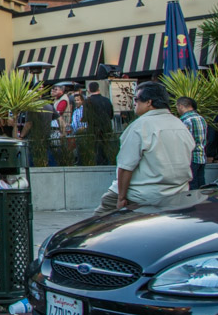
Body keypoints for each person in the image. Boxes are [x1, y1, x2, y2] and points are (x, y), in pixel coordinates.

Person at [93, 82, 194, 216]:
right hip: (177, 192)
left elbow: (125, 167)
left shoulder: (140, 126)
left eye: (136, 100)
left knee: (97, 223)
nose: (134, 104)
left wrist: (121, 198)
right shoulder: (180, 124)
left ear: (149, 102)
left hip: (142, 194)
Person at [176, 97, 207, 189]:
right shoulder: (201, 118)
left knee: (191, 186)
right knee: (201, 185)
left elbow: (182, 141)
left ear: (181, 106)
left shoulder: (184, 120)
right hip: (201, 156)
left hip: (190, 158)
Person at [84, 81, 114, 165]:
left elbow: (85, 117)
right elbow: (111, 115)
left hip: (94, 130)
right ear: (98, 89)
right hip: (107, 129)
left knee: (97, 151)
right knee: (107, 150)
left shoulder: (88, 101)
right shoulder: (107, 100)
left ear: (89, 90)